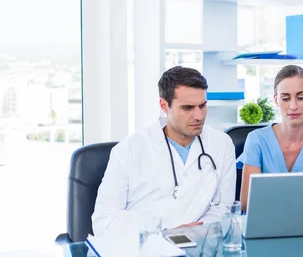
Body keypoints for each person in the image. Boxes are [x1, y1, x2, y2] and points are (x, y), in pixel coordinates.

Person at [92, 66, 236, 235]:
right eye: (187, 108)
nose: (199, 116)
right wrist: (163, 231)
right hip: (144, 247)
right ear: (164, 105)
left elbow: (225, 209)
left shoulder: (222, 144)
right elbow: (104, 220)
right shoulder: (129, 150)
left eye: (202, 105)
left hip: (200, 245)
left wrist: (196, 230)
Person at [237, 65, 303, 211]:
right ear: (276, 100)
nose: (293, 106)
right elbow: (247, 203)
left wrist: (271, 199)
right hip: (263, 227)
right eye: (285, 98)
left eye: (300, 98)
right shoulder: (256, 140)